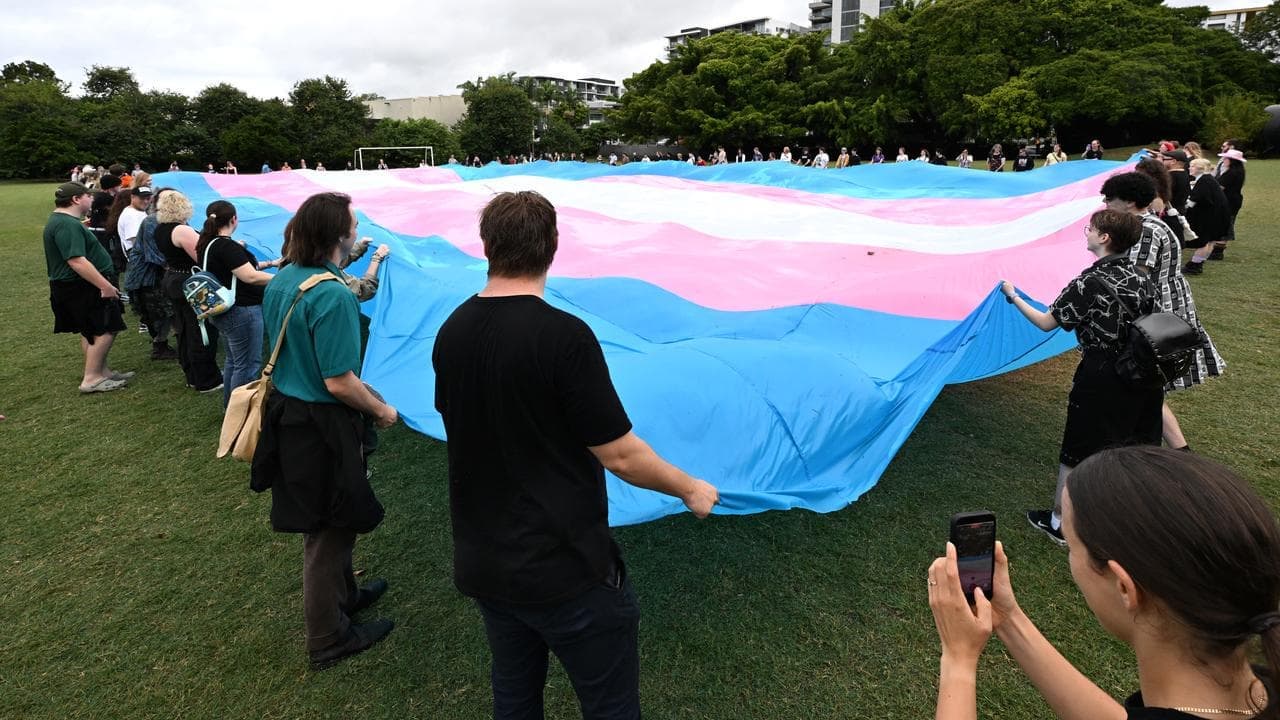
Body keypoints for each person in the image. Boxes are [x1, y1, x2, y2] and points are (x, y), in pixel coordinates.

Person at [432, 191, 720, 719]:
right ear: (553, 246)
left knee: (514, 696)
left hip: (486, 561)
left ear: (487, 245)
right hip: (563, 568)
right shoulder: (564, 337)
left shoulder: (452, 331)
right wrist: (690, 488)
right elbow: (621, 456)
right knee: (609, 706)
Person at [927, 446, 1280, 720]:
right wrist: (1009, 618)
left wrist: (959, 660)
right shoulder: (1261, 692)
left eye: (1071, 543)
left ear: (1125, 588)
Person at [251, 191, 399, 671]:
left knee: (336, 518)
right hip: (321, 425)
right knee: (327, 529)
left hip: (290, 412)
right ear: (339, 234)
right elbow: (339, 381)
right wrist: (380, 411)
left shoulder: (285, 279)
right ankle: (328, 637)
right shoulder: (332, 295)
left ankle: (346, 596)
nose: (356, 230)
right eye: (353, 224)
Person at [1000, 209, 1161, 544]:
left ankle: (1059, 523)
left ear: (1104, 238)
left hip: (1101, 374)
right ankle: (1126, 515)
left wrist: (1013, 297)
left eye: (1091, 228)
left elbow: (1047, 322)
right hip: (1141, 371)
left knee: (1079, 447)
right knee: (1128, 443)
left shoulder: (1089, 282)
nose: (1086, 232)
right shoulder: (1142, 275)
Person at [1101, 172, 1225, 453]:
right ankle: (1177, 449)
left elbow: (1134, 278)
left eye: (1111, 199)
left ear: (1130, 202)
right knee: (1148, 389)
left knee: (1145, 385)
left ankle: (1157, 449)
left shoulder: (1144, 230)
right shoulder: (1152, 224)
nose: (1106, 203)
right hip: (1162, 312)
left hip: (1156, 316)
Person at [44, 182, 134, 393]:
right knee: (106, 328)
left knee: (91, 330)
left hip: (76, 286)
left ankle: (102, 371)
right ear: (76, 199)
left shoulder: (63, 221)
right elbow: (76, 260)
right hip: (82, 286)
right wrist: (105, 286)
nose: (91, 200)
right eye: (88, 196)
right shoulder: (67, 224)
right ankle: (92, 378)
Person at [195, 201, 274, 408]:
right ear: (234, 219)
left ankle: (230, 408)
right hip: (242, 311)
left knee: (234, 361)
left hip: (223, 311)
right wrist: (281, 279)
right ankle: (241, 413)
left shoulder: (206, 244)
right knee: (248, 364)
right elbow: (250, 277)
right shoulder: (226, 246)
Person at [155, 190, 222, 393]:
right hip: (190, 283)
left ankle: (192, 374)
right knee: (201, 329)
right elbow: (202, 257)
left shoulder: (160, 229)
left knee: (183, 329)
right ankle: (207, 379)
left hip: (174, 279)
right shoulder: (181, 230)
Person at [123, 187, 177, 360]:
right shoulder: (152, 221)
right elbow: (154, 254)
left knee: (167, 312)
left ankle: (165, 343)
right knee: (162, 313)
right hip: (146, 278)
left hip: (153, 276)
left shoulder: (166, 220)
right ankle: (161, 346)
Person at [1183, 157, 1232, 274]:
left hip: (1212, 216)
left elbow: (1195, 200)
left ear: (1200, 168)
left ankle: (1195, 266)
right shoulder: (1207, 179)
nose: (1189, 168)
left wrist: (1183, 207)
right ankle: (1198, 263)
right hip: (1218, 215)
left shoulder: (1205, 180)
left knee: (1205, 241)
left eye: (1192, 166)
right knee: (1209, 241)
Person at [1216, 148, 1246, 259]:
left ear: (1232, 160)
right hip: (1233, 200)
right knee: (1226, 222)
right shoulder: (1238, 171)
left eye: (1226, 158)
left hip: (1229, 201)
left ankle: (1218, 251)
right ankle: (1218, 249)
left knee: (1226, 223)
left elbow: (1220, 187)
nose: (1223, 159)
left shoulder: (1231, 173)